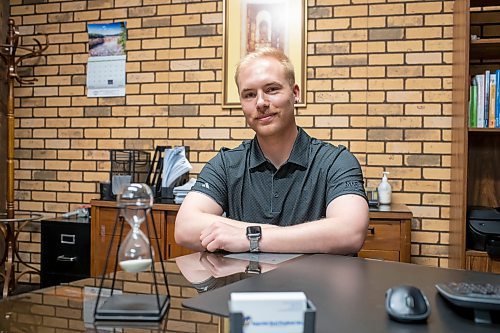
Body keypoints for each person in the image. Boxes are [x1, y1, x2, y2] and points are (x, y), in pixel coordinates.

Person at [175, 47, 369, 254]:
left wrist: (250, 238)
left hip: (317, 286)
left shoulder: (335, 161)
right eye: (249, 94)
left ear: (295, 94)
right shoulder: (226, 164)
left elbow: (350, 232)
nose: (260, 103)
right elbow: (185, 227)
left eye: (272, 90)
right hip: (244, 285)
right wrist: (284, 235)